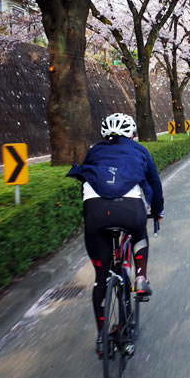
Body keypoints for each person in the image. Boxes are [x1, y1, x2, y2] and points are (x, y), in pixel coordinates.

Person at [66, 113, 164, 356]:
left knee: (102, 276)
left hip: (96, 214)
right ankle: (140, 278)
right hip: (130, 210)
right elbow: (154, 183)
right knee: (139, 232)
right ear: (132, 133)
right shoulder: (139, 150)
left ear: (104, 134)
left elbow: (85, 184)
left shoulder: (94, 151)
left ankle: (102, 338)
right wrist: (157, 211)